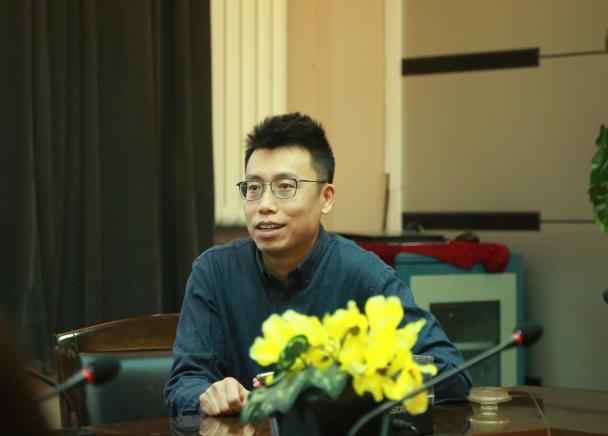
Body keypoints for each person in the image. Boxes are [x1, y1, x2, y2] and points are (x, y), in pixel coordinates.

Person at [164, 113, 471, 416]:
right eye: (254, 188)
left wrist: (347, 384)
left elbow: (451, 373)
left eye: (285, 187)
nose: (264, 206)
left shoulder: (364, 276)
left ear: (326, 198)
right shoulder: (214, 272)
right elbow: (184, 382)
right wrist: (210, 395)